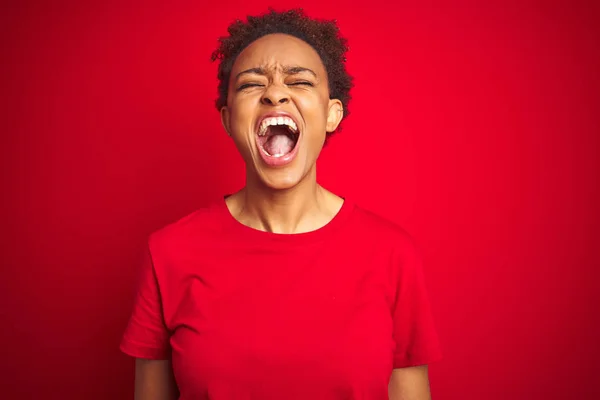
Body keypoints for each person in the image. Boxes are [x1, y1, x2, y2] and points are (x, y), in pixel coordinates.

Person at [120, 8, 442, 400]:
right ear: (227, 119)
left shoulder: (393, 255)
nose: (275, 92)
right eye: (252, 84)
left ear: (331, 114)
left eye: (300, 81)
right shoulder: (168, 253)